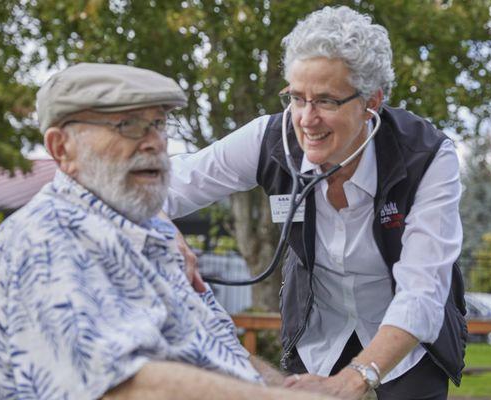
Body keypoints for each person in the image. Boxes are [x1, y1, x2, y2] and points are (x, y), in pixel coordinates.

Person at [166, 6, 467, 400]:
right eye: (296, 97)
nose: (307, 119)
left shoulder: (427, 156)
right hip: (319, 329)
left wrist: (356, 378)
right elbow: (165, 186)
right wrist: (161, 227)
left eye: (326, 101)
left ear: (371, 103)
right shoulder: (269, 140)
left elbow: (423, 292)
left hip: (405, 337)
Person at [0, 63, 336, 400]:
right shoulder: (41, 242)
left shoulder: (149, 228)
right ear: (61, 148)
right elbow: (120, 386)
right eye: (127, 125)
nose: (154, 142)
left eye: (158, 123)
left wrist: (281, 385)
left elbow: (215, 348)